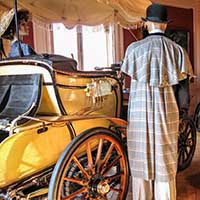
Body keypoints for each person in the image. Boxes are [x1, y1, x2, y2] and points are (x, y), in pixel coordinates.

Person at [121, 3, 193, 200]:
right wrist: (183, 113)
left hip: (138, 114)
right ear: (165, 25)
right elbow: (184, 91)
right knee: (164, 162)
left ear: (146, 24)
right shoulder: (178, 51)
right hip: (167, 114)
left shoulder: (133, 50)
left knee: (140, 161)